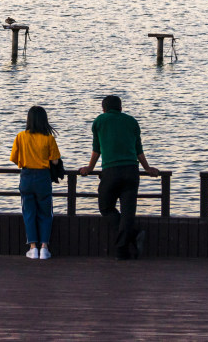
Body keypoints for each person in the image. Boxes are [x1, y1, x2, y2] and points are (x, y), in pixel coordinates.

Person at [79, 95, 159, 260]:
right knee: (128, 212)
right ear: (121, 108)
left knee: (106, 207)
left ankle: (133, 236)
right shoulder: (132, 121)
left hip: (111, 171)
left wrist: (90, 168)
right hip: (131, 171)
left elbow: (97, 149)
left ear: (104, 109)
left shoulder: (99, 121)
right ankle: (123, 250)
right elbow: (139, 150)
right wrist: (147, 168)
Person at [11, 105, 61, 260]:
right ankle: (44, 248)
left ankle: (32, 247)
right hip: (43, 177)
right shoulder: (49, 138)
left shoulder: (21, 136)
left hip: (26, 176)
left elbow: (14, 158)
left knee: (29, 212)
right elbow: (55, 161)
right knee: (45, 213)